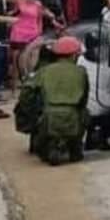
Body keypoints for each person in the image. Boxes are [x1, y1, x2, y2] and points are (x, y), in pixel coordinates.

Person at [31, 37, 89, 166]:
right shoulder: (81, 72)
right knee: (86, 114)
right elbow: (84, 99)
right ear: (74, 55)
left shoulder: (44, 71)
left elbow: (28, 93)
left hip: (48, 116)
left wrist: (31, 113)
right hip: (73, 116)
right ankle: (75, 149)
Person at [8, 0, 61, 94]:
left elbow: (46, 14)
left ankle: (29, 76)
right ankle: (18, 82)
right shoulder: (18, 1)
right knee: (17, 59)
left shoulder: (38, 4)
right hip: (19, 34)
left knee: (33, 54)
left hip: (34, 33)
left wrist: (54, 20)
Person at [80, 30, 110, 152]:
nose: (102, 50)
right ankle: (96, 136)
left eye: (104, 47)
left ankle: (98, 136)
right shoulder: (79, 63)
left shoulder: (79, 61)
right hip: (87, 111)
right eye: (98, 47)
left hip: (104, 109)